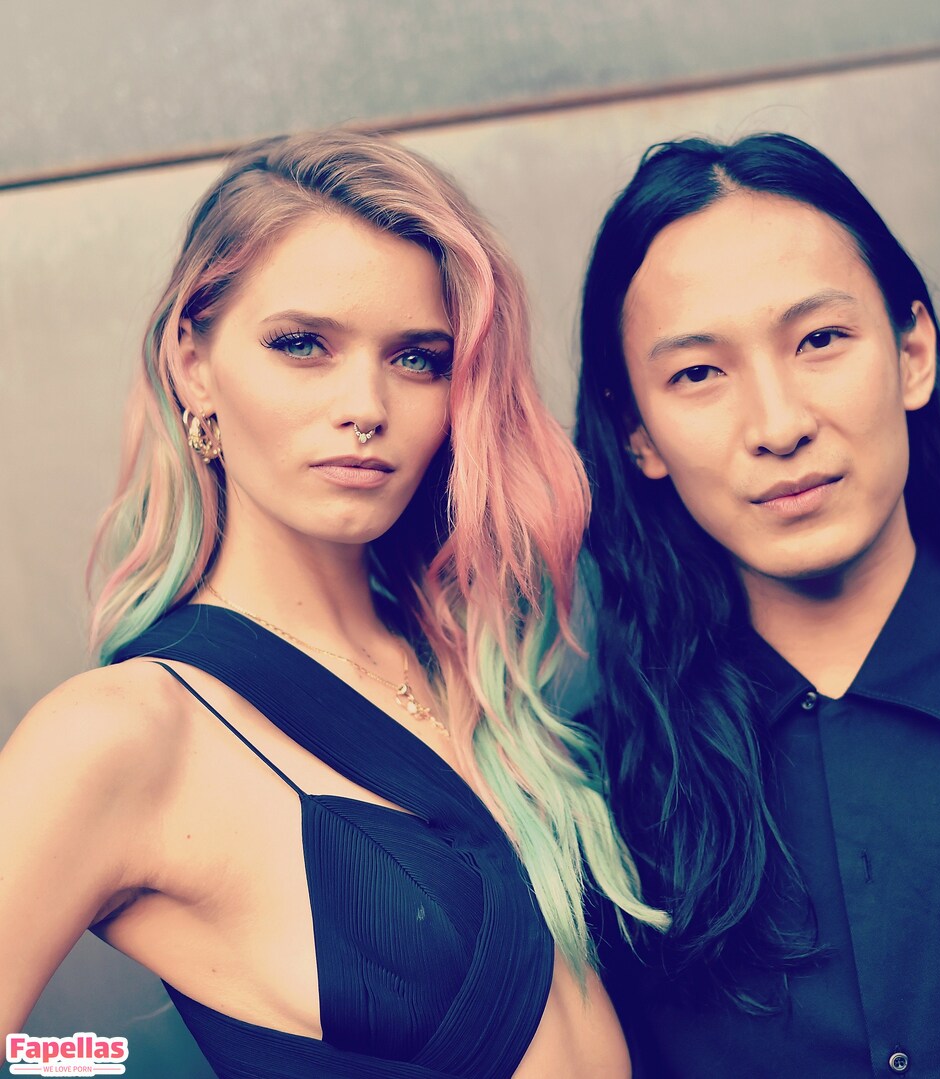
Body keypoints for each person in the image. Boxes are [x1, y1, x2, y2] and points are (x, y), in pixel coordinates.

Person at [0, 128, 667, 1079]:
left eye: (418, 358)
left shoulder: (487, 672)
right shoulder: (124, 733)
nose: (366, 405)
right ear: (194, 365)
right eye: (303, 345)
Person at [575, 132, 940, 1078]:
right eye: (698, 373)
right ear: (639, 432)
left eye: (818, 340)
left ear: (912, 352)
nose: (778, 425)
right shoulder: (588, 794)